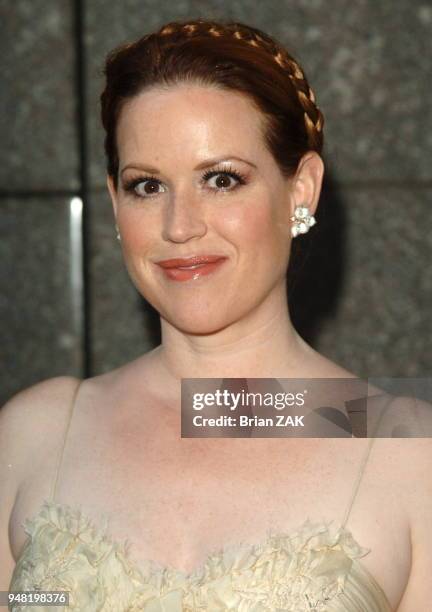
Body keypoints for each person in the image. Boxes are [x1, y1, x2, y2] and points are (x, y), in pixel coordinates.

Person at [1, 17, 430, 611]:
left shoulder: (408, 452)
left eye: (222, 179)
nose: (180, 226)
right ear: (114, 202)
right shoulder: (37, 431)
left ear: (300, 189)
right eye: (147, 186)